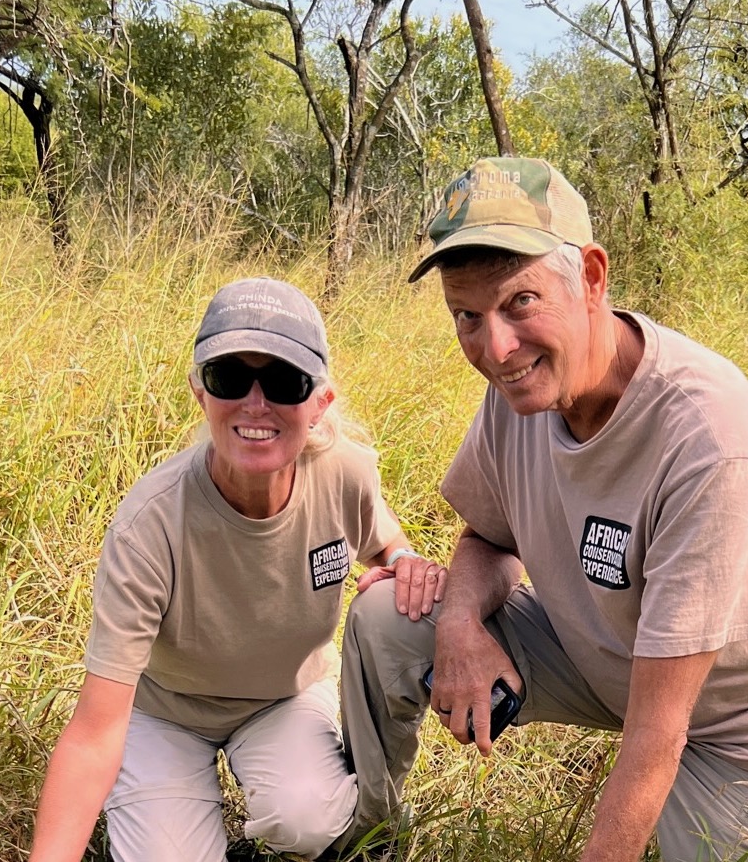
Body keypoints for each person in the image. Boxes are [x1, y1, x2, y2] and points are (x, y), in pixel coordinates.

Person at [338, 158, 748, 862]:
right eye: (467, 316)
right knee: (388, 618)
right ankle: (363, 836)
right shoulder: (519, 387)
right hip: (610, 650)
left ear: (590, 277)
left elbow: (658, 730)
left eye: (520, 302)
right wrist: (460, 623)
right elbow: (488, 537)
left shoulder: (706, 435)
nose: (496, 348)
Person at [30, 277, 446, 862]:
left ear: (320, 401)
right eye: (230, 377)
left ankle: (356, 814)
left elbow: (385, 540)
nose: (255, 403)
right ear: (200, 392)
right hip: (166, 711)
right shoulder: (150, 525)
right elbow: (95, 731)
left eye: (283, 381)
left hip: (284, 698)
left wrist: (402, 563)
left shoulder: (345, 473)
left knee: (309, 822)